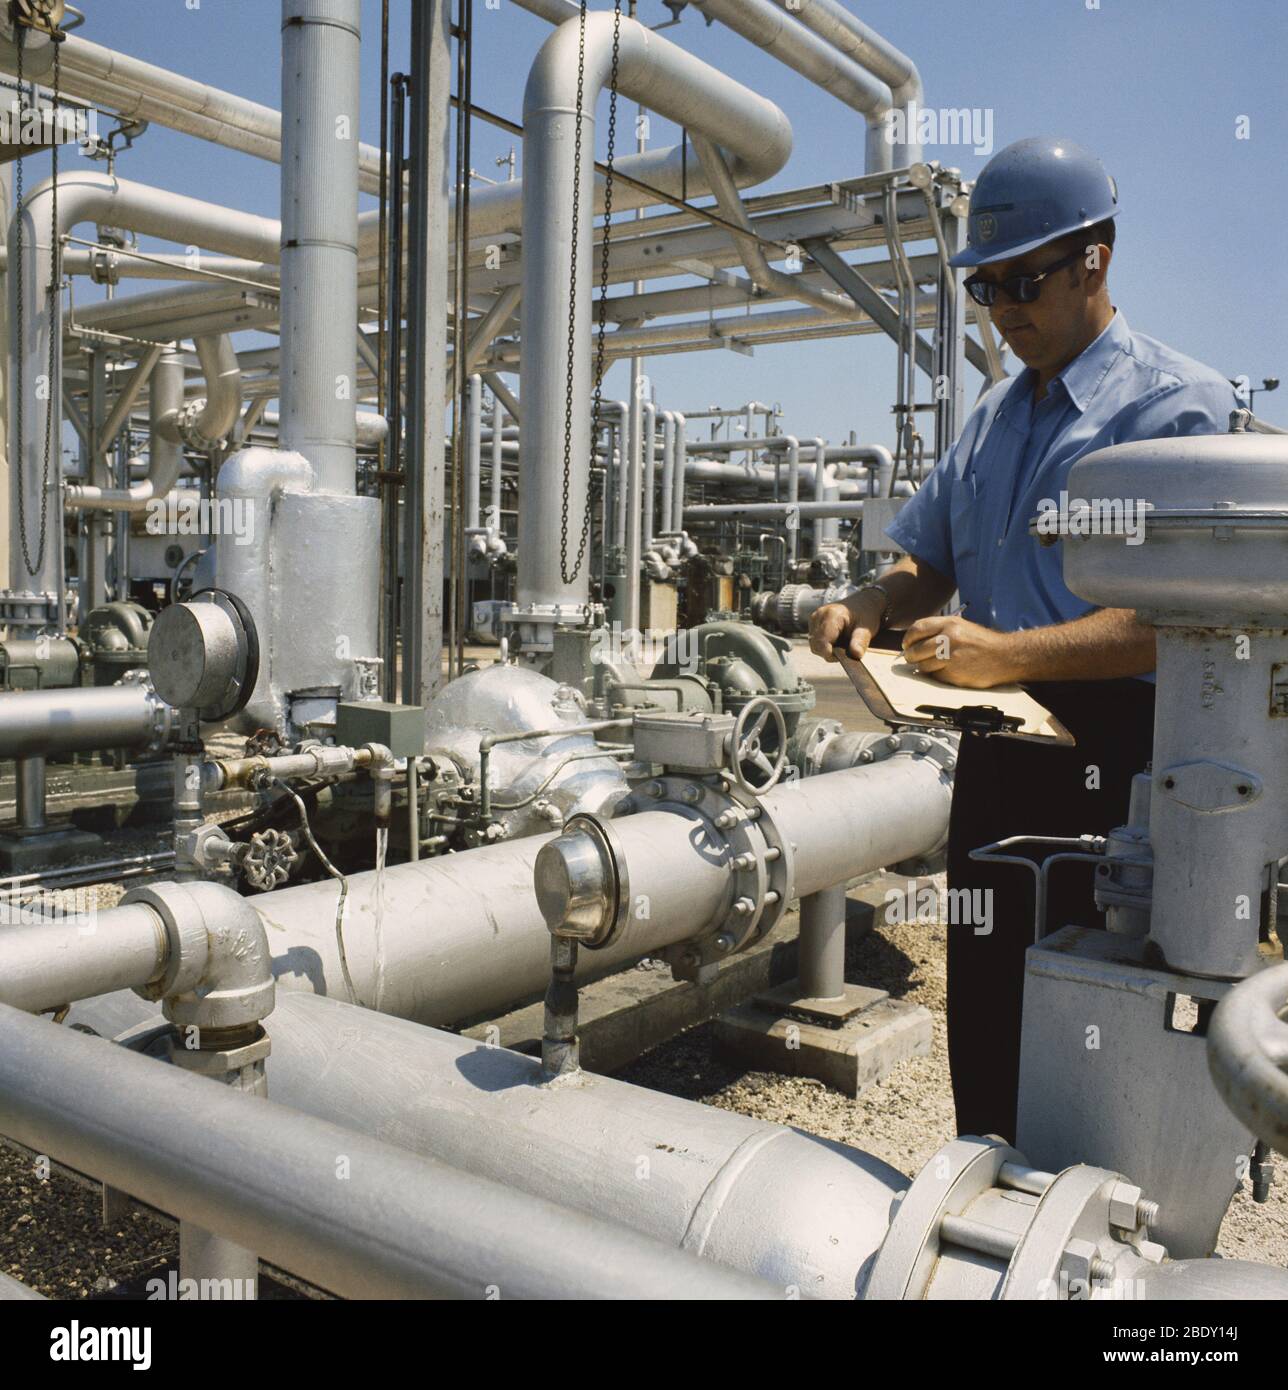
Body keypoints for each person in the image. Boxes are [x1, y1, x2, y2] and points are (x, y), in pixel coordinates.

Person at [808, 136, 1237, 1142]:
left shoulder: (1173, 407)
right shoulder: (993, 420)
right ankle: (987, 1204)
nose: (1003, 309)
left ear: (1096, 257)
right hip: (997, 753)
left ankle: (1092, 1250)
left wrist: (1011, 653)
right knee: (992, 1002)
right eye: (986, 286)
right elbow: (929, 560)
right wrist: (872, 604)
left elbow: (1173, 621)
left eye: (1023, 279)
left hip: (1117, 760)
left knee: (1096, 1007)